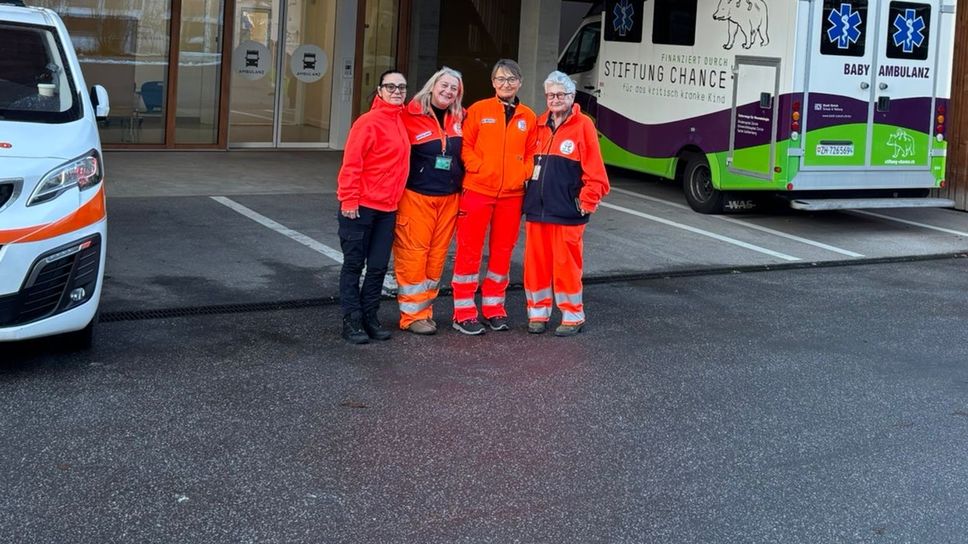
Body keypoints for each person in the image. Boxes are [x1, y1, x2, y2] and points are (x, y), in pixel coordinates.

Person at [451, 59, 537, 335]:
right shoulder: (479, 110)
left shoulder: (529, 116)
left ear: (520, 82)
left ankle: (494, 308)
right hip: (478, 190)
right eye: (500, 79)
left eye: (511, 79)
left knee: (502, 253)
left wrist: (520, 173)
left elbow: (531, 154)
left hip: (512, 195)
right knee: (469, 251)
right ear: (493, 83)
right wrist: (480, 168)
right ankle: (463, 312)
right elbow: (466, 146)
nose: (506, 84)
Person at [523, 71, 610, 337]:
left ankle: (572, 316)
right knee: (535, 265)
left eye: (560, 94)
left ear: (571, 97)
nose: (555, 99)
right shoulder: (538, 125)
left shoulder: (583, 125)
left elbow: (596, 172)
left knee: (566, 265)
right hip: (538, 211)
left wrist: (587, 202)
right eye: (550, 95)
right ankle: (537, 314)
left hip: (568, 212)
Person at [336, 70, 410, 344]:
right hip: (360, 207)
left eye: (401, 87)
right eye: (390, 86)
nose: (396, 91)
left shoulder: (402, 120)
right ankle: (351, 320)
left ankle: (370, 316)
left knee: (378, 267)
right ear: (379, 90)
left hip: (388, 209)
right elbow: (352, 163)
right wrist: (349, 198)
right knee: (354, 265)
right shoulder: (367, 122)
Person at [394, 67, 466, 335]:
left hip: (449, 199)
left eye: (454, 88)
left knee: (436, 259)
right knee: (413, 256)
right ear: (433, 85)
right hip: (416, 197)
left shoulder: (461, 117)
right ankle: (411, 317)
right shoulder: (407, 114)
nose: (448, 91)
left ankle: (425, 311)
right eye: (444, 85)